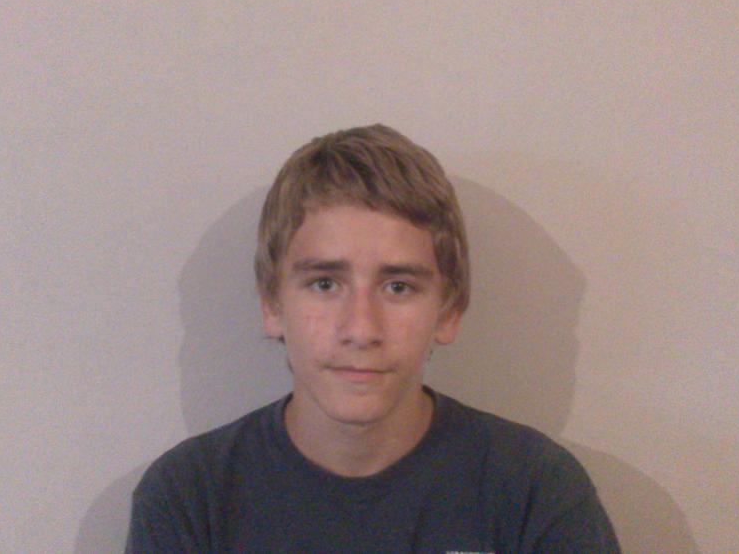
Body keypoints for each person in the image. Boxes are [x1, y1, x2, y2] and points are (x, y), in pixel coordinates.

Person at [126, 124, 620, 552]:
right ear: (272, 305)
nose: (361, 329)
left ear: (449, 311)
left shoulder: (534, 491)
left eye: (398, 287)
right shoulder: (189, 497)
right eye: (325, 284)